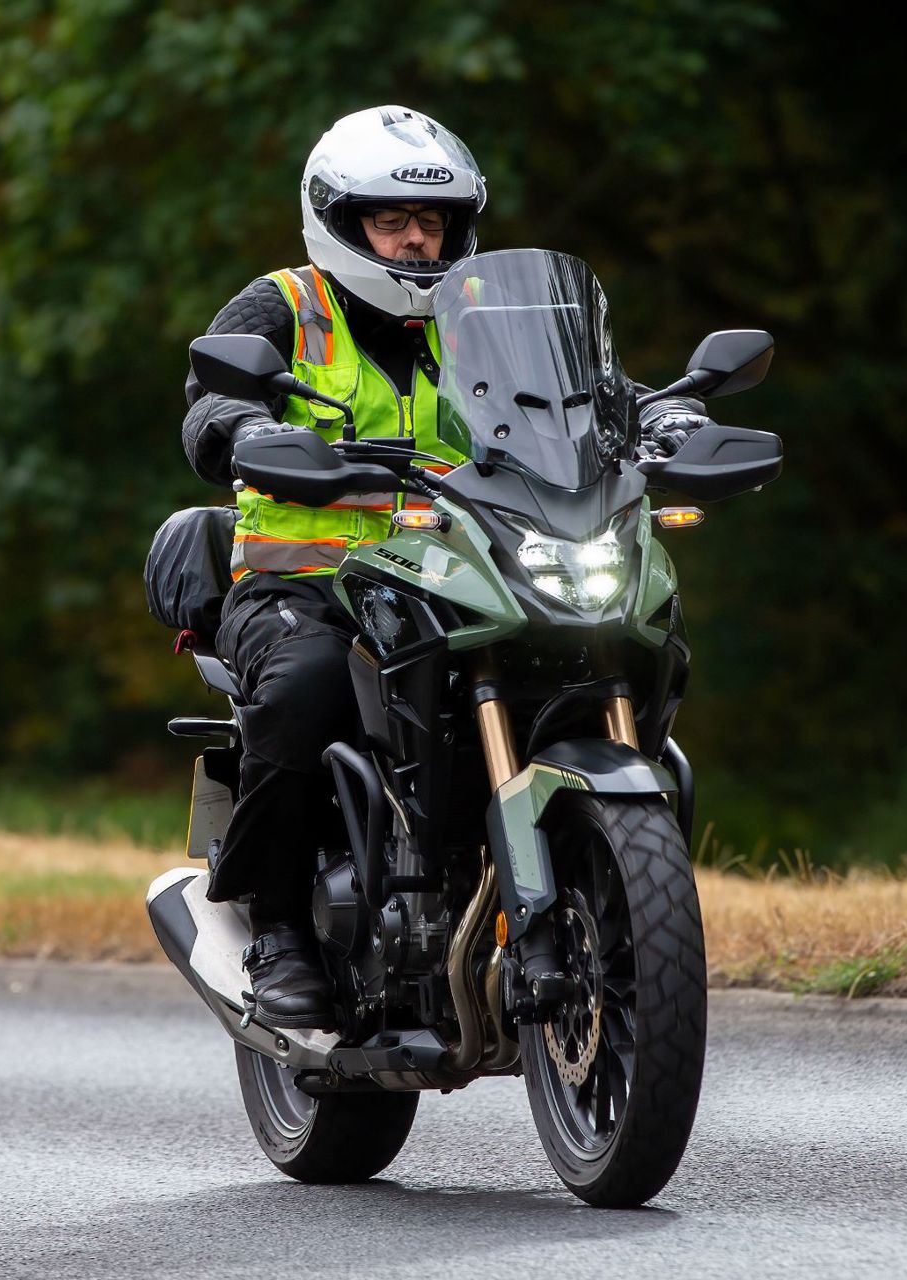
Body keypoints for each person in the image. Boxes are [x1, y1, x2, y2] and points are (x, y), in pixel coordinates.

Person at [179, 105, 712, 1030]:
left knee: (626, 640)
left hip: (460, 566)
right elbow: (210, 401)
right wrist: (245, 426)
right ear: (341, 224)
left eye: (435, 222)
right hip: (309, 582)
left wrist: (659, 418)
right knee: (305, 687)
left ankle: (605, 885)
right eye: (392, 220)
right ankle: (277, 931)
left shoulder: (493, 319)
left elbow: (589, 399)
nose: (417, 239)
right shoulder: (283, 306)